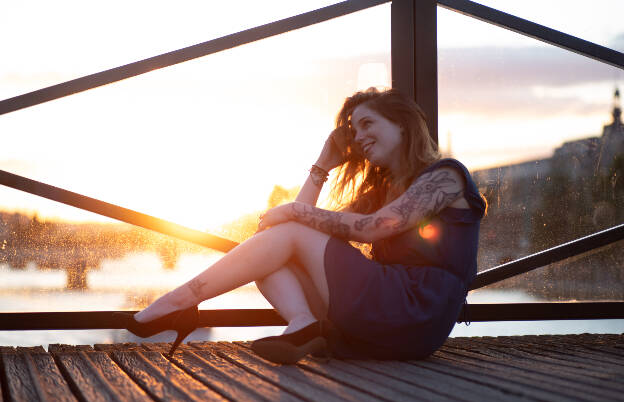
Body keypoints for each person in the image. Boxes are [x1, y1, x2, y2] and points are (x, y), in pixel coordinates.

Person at [117, 87, 486, 363]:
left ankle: (180, 301)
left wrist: (292, 213)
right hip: (385, 319)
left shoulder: (446, 176)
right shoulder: (382, 189)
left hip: (415, 312)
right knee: (270, 251)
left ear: (403, 125)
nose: (358, 137)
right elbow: (284, 236)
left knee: (287, 231)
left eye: (368, 124)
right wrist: (321, 167)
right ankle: (303, 324)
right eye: (353, 131)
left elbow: (371, 228)